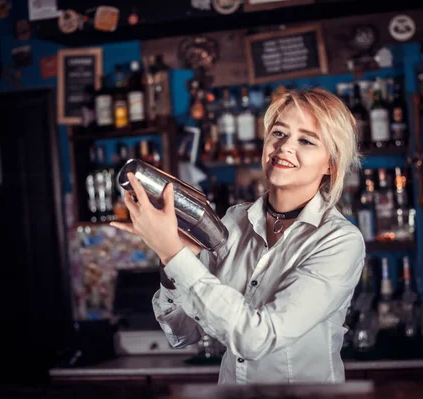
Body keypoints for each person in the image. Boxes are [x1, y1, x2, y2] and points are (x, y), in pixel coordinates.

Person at [111, 86, 365, 384]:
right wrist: (173, 265)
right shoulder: (234, 221)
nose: (284, 148)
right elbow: (182, 334)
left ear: (331, 165)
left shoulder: (339, 242)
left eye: (306, 140)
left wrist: (173, 255)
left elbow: (259, 338)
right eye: (279, 133)